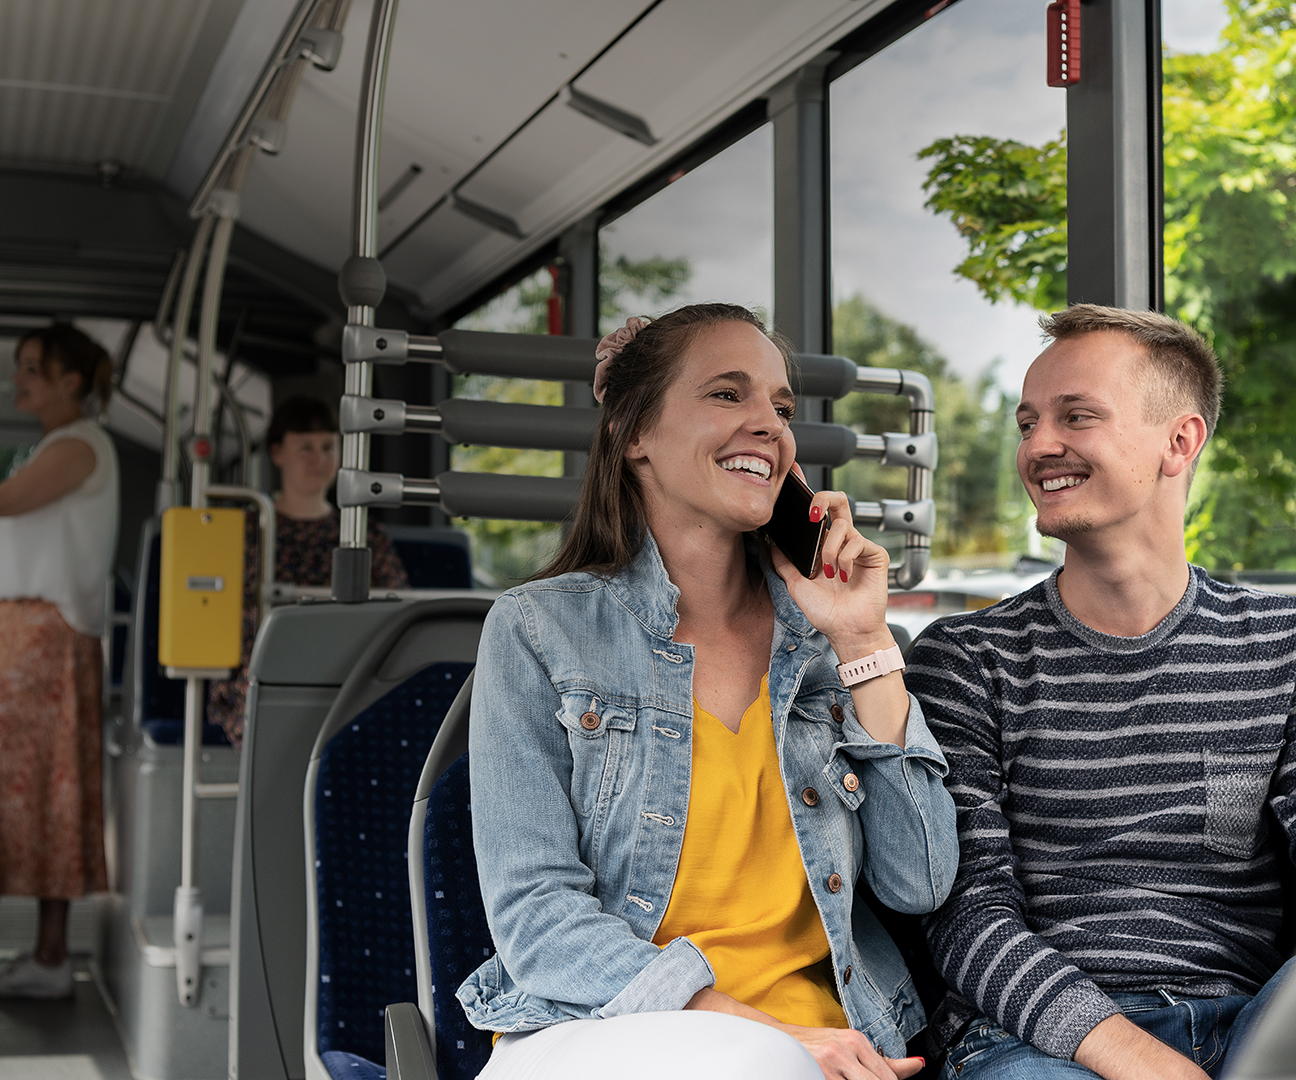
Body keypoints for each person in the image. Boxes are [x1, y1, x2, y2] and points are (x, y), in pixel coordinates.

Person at [457, 304, 960, 1080]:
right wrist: (761, 1035)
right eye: (728, 395)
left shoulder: (832, 644)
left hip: (833, 1048)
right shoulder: (536, 632)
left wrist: (864, 642)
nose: (769, 424)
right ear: (634, 437)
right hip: (602, 1029)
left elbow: (920, 880)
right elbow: (538, 921)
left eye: (781, 408)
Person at [904, 305, 1296, 1080]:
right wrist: (1142, 1061)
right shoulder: (966, 660)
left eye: (1076, 417)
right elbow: (964, 917)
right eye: (1028, 423)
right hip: (1038, 1042)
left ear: (1179, 442)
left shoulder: (1282, 640)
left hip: (1251, 1020)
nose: (1039, 446)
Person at [0, 323, 119, 998]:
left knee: (45, 791)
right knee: (36, 793)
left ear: (70, 382)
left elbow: (7, 504)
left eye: (32, 369)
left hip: (44, 639)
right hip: (27, 636)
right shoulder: (53, 446)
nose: (19, 380)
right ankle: (44, 954)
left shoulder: (79, 445)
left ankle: (50, 957)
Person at [206, 396, 407, 747]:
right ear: (277, 453)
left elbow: (397, 603)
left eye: (328, 447)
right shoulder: (246, 531)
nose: (319, 460)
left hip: (348, 663)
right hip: (264, 664)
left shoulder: (363, 532)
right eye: (306, 448)